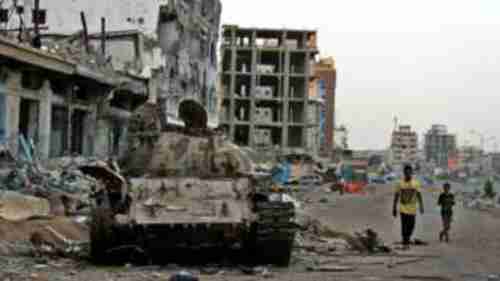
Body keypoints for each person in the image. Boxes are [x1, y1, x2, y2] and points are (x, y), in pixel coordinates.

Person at [393, 165, 424, 250]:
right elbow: (396, 196)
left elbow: (419, 195)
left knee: (411, 226)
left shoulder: (416, 183)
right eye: (406, 172)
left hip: (412, 209)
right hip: (403, 209)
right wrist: (394, 208)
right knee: (404, 226)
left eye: (409, 172)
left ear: (411, 173)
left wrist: (421, 206)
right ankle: (405, 242)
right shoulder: (400, 183)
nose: (408, 174)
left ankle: (406, 239)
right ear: (404, 173)